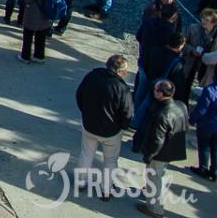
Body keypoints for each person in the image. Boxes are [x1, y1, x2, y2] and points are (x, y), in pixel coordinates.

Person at [75, 55, 133, 201]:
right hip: (111, 131)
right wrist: (123, 126)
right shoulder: (122, 88)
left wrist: (85, 113)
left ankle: (80, 182)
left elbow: (79, 95)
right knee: (110, 160)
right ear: (122, 71)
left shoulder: (92, 76)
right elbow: (127, 113)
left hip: (89, 125)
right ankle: (106, 190)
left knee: (86, 153)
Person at [132, 80, 188, 217]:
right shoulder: (180, 106)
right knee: (158, 175)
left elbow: (157, 140)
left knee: (154, 176)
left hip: (161, 152)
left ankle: (155, 209)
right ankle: (150, 193)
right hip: (171, 149)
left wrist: (149, 155)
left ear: (160, 94)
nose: (153, 92)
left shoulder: (162, 114)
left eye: (155, 90)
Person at [182, 9, 217, 102]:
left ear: (214, 23)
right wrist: (192, 50)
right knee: (185, 85)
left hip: (205, 67)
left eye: (207, 20)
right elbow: (182, 43)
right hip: (190, 62)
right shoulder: (192, 28)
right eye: (203, 18)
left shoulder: (215, 35)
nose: (203, 21)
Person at [190, 74, 217, 181]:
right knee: (215, 148)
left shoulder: (210, 90)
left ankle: (203, 168)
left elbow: (201, 109)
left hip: (207, 124)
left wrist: (192, 120)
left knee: (204, 146)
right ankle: (215, 171)